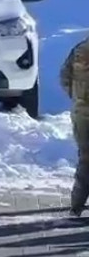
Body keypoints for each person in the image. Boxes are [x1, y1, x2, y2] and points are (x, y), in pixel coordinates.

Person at [59, 36, 89, 216]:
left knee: (85, 158)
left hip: (81, 113)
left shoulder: (80, 48)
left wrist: (78, 98)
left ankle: (76, 206)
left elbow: (64, 76)